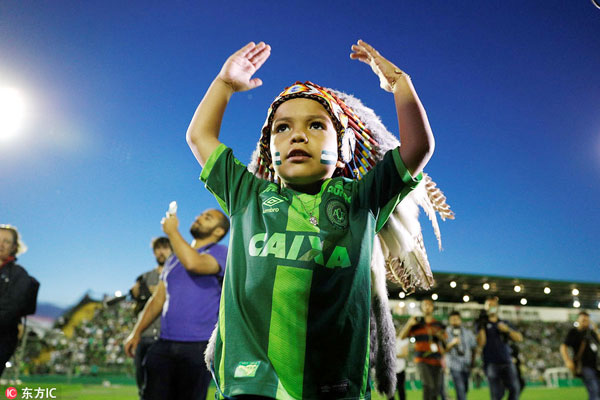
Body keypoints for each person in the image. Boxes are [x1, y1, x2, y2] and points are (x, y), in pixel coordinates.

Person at [186, 39, 434, 399]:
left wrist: (400, 83)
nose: (297, 134)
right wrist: (224, 84)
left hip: (333, 384)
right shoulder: (247, 195)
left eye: (316, 125)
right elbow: (198, 136)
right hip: (251, 382)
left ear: (344, 146)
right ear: (269, 150)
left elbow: (417, 149)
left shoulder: (359, 200)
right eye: (281, 128)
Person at [124, 209, 229, 400]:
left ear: (219, 231)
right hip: (163, 344)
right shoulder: (173, 260)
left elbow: (194, 264)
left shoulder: (221, 252)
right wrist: (136, 332)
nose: (198, 217)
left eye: (207, 218)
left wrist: (172, 232)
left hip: (198, 347)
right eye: (199, 215)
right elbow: (157, 300)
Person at [129, 236, 172, 398]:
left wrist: (154, 292)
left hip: (166, 337)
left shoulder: (178, 274)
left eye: (165, 247)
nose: (161, 252)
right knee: (143, 386)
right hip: (144, 336)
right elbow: (137, 304)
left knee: (167, 387)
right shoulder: (144, 278)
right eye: (158, 248)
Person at [0, 225, 36, 377]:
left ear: (14, 247)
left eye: (6, 241)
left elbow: (10, 310)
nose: (1, 244)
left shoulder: (19, 275)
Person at [476, 296, 523, 400]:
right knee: (496, 394)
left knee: (515, 389)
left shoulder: (504, 323)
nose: (492, 307)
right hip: (491, 363)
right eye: (489, 305)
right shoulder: (481, 323)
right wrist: (482, 326)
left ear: (498, 307)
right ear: (485, 307)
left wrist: (507, 330)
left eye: (494, 305)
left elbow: (519, 338)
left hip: (507, 361)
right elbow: (481, 343)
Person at [399, 299, 446, 400]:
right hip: (422, 359)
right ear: (421, 308)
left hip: (436, 360)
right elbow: (402, 337)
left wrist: (440, 336)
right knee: (428, 385)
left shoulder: (438, 324)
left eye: (429, 305)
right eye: (425, 305)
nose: (427, 307)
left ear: (433, 307)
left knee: (435, 390)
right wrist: (409, 323)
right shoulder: (417, 323)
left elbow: (445, 341)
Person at [560, 311, 600, 400]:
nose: (585, 321)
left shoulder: (591, 333)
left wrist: (595, 329)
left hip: (596, 366)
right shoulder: (574, 332)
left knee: (597, 391)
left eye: (586, 319)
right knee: (594, 389)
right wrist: (567, 361)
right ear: (578, 320)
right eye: (583, 319)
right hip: (584, 366)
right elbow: (563, 347)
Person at [445, 310, 476, 400]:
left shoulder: (467, 332)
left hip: (466, 364)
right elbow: (443, 350)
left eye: (456, 319)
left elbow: (474, 347)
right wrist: (451, 344)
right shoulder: (445, 333)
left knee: (465, 389)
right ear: (449, 321)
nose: (454, 321)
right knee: (460, 389)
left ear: (460, 320)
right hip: (454, 365)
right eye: (452, 319)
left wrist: (472, 362)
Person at [389, 325, 409, 400]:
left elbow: (405, 353)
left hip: (400, 368)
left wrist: (392, 355)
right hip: (391, 369)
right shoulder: (388, 339)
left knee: (401, 389)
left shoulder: (403, 340)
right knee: (390, 391)